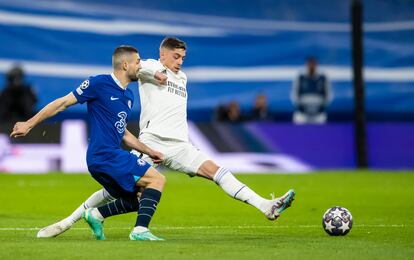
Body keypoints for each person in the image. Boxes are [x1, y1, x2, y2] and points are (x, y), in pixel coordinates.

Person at [37, 37, 295, 238]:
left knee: (220, 173)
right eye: (176, 56)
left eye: (183, 57)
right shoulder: (149, 65)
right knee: (119, 192)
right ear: (163, 54)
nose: (180, 62)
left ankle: (266, 206)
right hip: (153, 143)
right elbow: (138, 72)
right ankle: (69, 221)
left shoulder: (182, 77)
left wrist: (168, 75)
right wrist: (155, 74)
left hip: (181, 145)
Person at [11, 46, 166, 241]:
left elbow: (124, 134)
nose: (140, 65)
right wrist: (29, 123)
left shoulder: (128, 97)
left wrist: (150, 151)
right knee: (157, 180)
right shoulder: (98, 83)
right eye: (137, 61)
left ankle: (95, 215)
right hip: (104, 155)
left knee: (138, 200)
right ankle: (140, 231)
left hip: (107, 157)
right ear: (125, 64)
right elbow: (62, 103)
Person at [291, 56, 332, 124]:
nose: (311, 66)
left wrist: (321, 106)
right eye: (309, 64)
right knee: (297, 119)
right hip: (303, 113)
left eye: (313, 63)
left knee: (321, 123)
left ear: (316, 64)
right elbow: (294, 94)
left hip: (318, 114)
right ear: (306, 64)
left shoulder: (323, 78)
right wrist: (301, 106)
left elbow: (329, 95)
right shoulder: (300, 77)